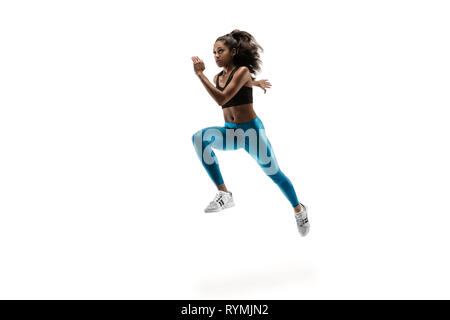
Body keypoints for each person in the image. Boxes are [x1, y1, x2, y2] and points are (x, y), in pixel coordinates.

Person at [191, 29, 309, 236]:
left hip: (251, 134)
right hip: (231, 134)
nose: (216, 56)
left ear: (233, 51)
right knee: (199, 138)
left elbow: (222, 98)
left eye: (221, 51)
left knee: (275, 174)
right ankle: (224, 193)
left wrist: (200, 75)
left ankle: (299, 209)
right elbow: (236, 87)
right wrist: (254, 83)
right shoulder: (219, 76)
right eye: (214, 52)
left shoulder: (243, 70)